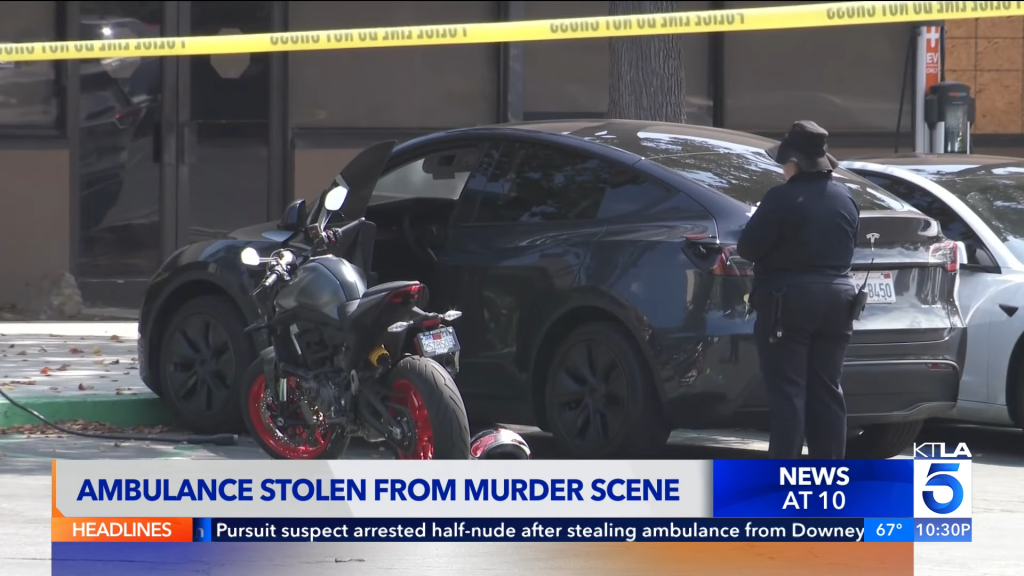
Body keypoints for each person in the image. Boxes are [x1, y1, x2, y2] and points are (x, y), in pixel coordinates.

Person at [737, 120, 859, 460]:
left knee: (790, 393)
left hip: (788, 303)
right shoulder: (845, 198)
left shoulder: (780, 198)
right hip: (838, 302)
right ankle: (831, 479)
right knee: (828, 391)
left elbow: (748, 247)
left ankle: (783, 480)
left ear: (793, 162)